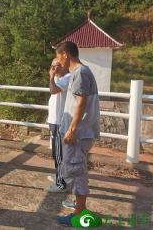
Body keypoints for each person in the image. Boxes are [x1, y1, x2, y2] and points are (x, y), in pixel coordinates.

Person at [54, 41, 100, 227]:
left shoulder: (80, 73)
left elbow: (81, 104)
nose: (58, 61)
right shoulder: (80, 72)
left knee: (76, 172)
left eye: (58, 57)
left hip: (78, 134)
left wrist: (72, 130)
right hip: (80, 133)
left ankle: (78, 216)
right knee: (77, 171)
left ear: (65, 54)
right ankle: (79, 208)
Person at [45, 58, 71, 193]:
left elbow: (53, 91)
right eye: (52, 66)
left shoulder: (67, 77)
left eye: (57, 66)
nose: (54, 68)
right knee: (56, 152)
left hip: (61, 122)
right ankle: (60, 176)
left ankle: (61, 183)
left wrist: (51, 77)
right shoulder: (58, 78)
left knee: (59, 153)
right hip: (54, 120)